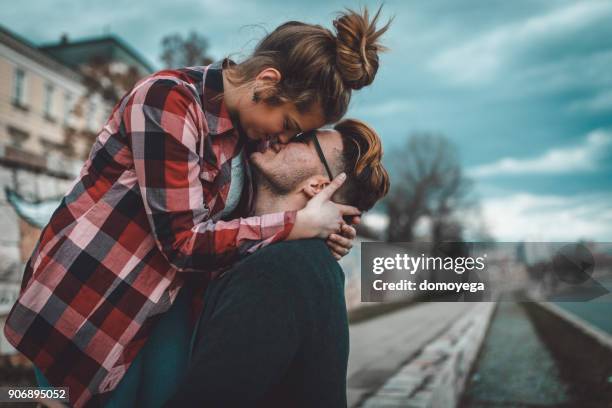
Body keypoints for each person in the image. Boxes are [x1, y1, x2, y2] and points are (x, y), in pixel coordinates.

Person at [3, 7, 390, 407]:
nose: (284, 137)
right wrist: (297, 223)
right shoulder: (168, 100)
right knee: (55, 399)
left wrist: (326, 230)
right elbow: (183, 241)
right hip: (93, 300)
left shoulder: (251, 139)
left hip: (167, 307)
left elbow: (250, 227)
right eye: (290, 122)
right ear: (267, 80)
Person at [164, 119, 390, 407]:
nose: (281, 136)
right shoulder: (303, 260)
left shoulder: (278, 271)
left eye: (304, 139)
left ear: (317, 185)